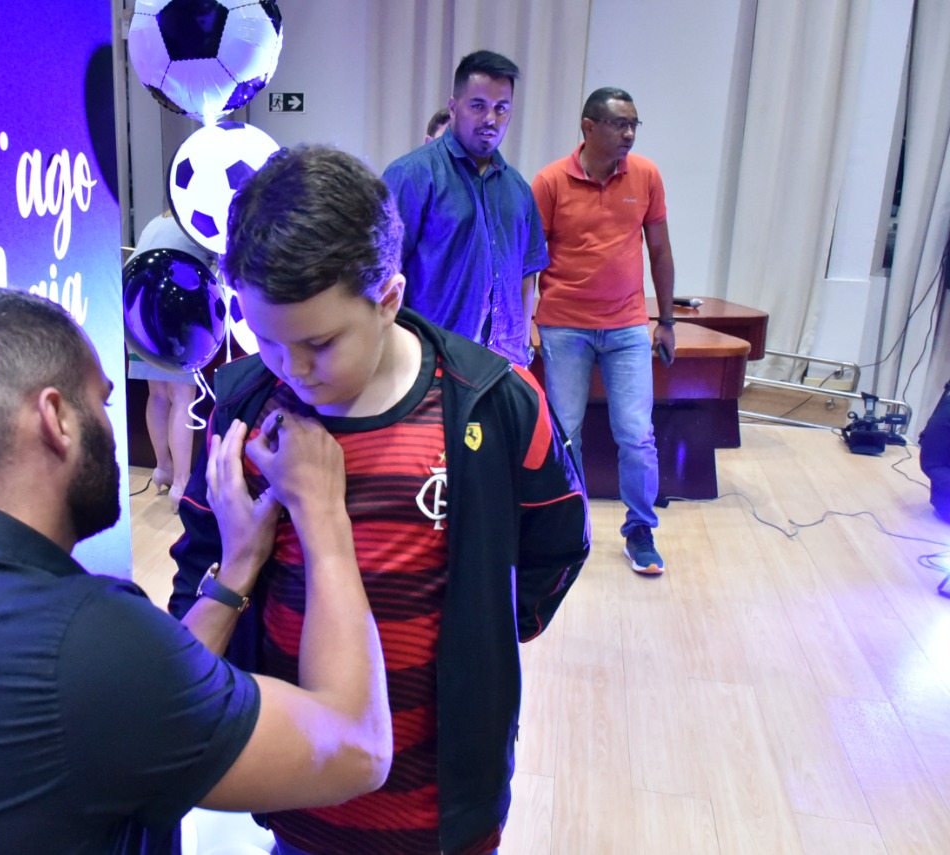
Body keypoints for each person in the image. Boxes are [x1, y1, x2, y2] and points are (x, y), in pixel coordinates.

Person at [0, 289, 392, 854]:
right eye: (104, 403)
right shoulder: (87, 640)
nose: (112, 429)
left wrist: (238, 565)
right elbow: (357, 747)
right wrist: (321, 516)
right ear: (56, 418)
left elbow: (132, 699)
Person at [168, 146, 589, 855]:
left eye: (320, 342)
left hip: (443, 812)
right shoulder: (242, 406)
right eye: (266, 339)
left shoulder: (492, 402)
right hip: (297, 795)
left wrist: (478, 635)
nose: (292, 369)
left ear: (388, 298)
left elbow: (556, 544)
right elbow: (196, 564)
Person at [532, 86, 677, 575]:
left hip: (628, 326)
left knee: (636, 435)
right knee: (564, 433)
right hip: (563, 326)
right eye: (620, 124)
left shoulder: (647, 175)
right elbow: (529, 262)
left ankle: (640, 530)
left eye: (635, 123)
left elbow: (659, 250)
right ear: (589, 127)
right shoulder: (550, 181)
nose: (629, 133)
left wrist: (668, 323)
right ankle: (565, 526)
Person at [382, 50, 549, 367]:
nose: (491, 119)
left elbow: (527, 277)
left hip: (503, 364)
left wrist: (522, 351)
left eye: (501, 108)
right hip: (432, 362)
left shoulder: (518, 189)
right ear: (453, 107)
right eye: (478, 105)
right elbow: (382, 272)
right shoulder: (413, 175)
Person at [126, 211, 214, 513]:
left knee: (158, 395)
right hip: (173, 317)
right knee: (181, 398)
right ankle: (181, 483)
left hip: (136, 314)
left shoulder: (156, 221)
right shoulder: (202, 224)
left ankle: (162, 468)